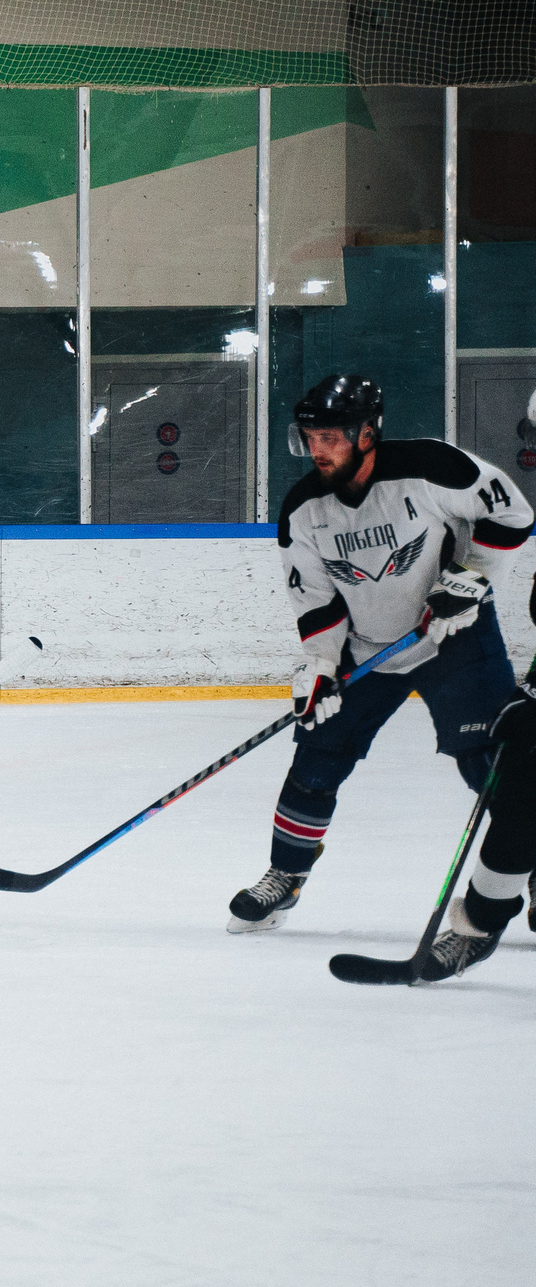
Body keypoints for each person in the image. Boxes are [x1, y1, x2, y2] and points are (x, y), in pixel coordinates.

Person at [227, 374, 532, 932]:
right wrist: (319, 666)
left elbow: (511, 515)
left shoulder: (433, 468)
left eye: (331, 437)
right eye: (309, 438)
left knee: (496, 765)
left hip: (453, 636)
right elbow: (317, 602)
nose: (318, 450)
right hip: (366, 649)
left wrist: (470, 580)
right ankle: (286, 876)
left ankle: (528, 872)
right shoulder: (303, 509)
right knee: (317, 757)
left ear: (367, 434)